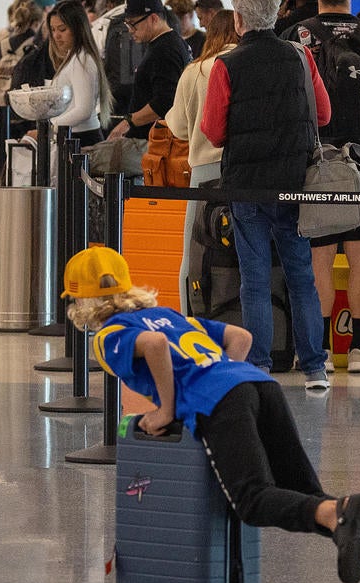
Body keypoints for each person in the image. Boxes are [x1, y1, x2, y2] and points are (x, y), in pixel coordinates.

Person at [62, 245, 360, 583]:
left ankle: (344, 510)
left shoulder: (109, 336)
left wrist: (166, 410)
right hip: (259, 384)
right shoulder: (169, 316)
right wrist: (227, 376)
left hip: (217, 401)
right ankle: (357, 520)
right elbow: (240, 337)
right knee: (299, 491)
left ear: (83, 303)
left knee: (252, 499)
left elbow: (153, 346)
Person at [200, 0, 333, 389]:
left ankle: (258, 365)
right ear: (275, 16)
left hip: (247, 184)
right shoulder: (300, 56)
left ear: (238, 20)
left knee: (254, 279)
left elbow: (213, 131)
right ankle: (314, 368)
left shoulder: (227, 65)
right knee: (301, 277)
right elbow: (322, 115)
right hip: (294, 183)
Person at [287, 0, 360, 374]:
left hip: (316, 162)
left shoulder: (298, 35)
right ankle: (357, 349)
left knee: (319, 257)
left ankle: (318, 351)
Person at [166, 9, 238, 313]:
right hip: (243, 166)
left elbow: (178, 127)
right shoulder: (245, 64)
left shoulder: (195, 70)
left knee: (194, 251)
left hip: (203, 170)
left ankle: (190, 315)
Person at [27, 1, 113, 148]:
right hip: (76, 136)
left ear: (78, 28)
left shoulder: (82, 59)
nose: (56, 36)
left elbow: (83, 110)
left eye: (62, 29)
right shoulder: (76, 57)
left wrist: (47, 128)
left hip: (82, 139)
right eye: (53, 30)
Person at [106, 0, 191, 141]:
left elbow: (164, 102)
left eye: (132, 23)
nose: (130, 29)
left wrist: (128, 122)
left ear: (153, 18)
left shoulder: (165, 50)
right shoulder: (164, 43)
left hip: (154, 142)